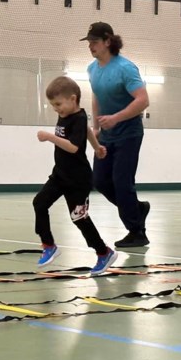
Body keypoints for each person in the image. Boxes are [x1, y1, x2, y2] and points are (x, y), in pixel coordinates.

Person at [34, 76, 118, 275]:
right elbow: (88, 131)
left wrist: (49, 137)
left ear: (73, 99)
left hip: (77, 180)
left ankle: (103, 252)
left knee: (79, 218)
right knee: (39, 203)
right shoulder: (68, 114)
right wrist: (97, 147)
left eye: (58, 104)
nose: (56, 109)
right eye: (53, 105)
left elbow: (72, 147)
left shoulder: (78, 117)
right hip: (60, 175)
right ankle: (48, 245)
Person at [82, 22, 151, 248]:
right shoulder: (92, 69)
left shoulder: (126, 68)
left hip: (128, 132)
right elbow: (96, 96)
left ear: (108, 42)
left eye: (95, 41)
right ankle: (137, 208)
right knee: (100, 180)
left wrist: (116, 118)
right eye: (89, 42)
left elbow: (143, 100)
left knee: (122, 182)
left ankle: (137, 231)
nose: (90, 46)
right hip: (106, 134)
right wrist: (96, 125)